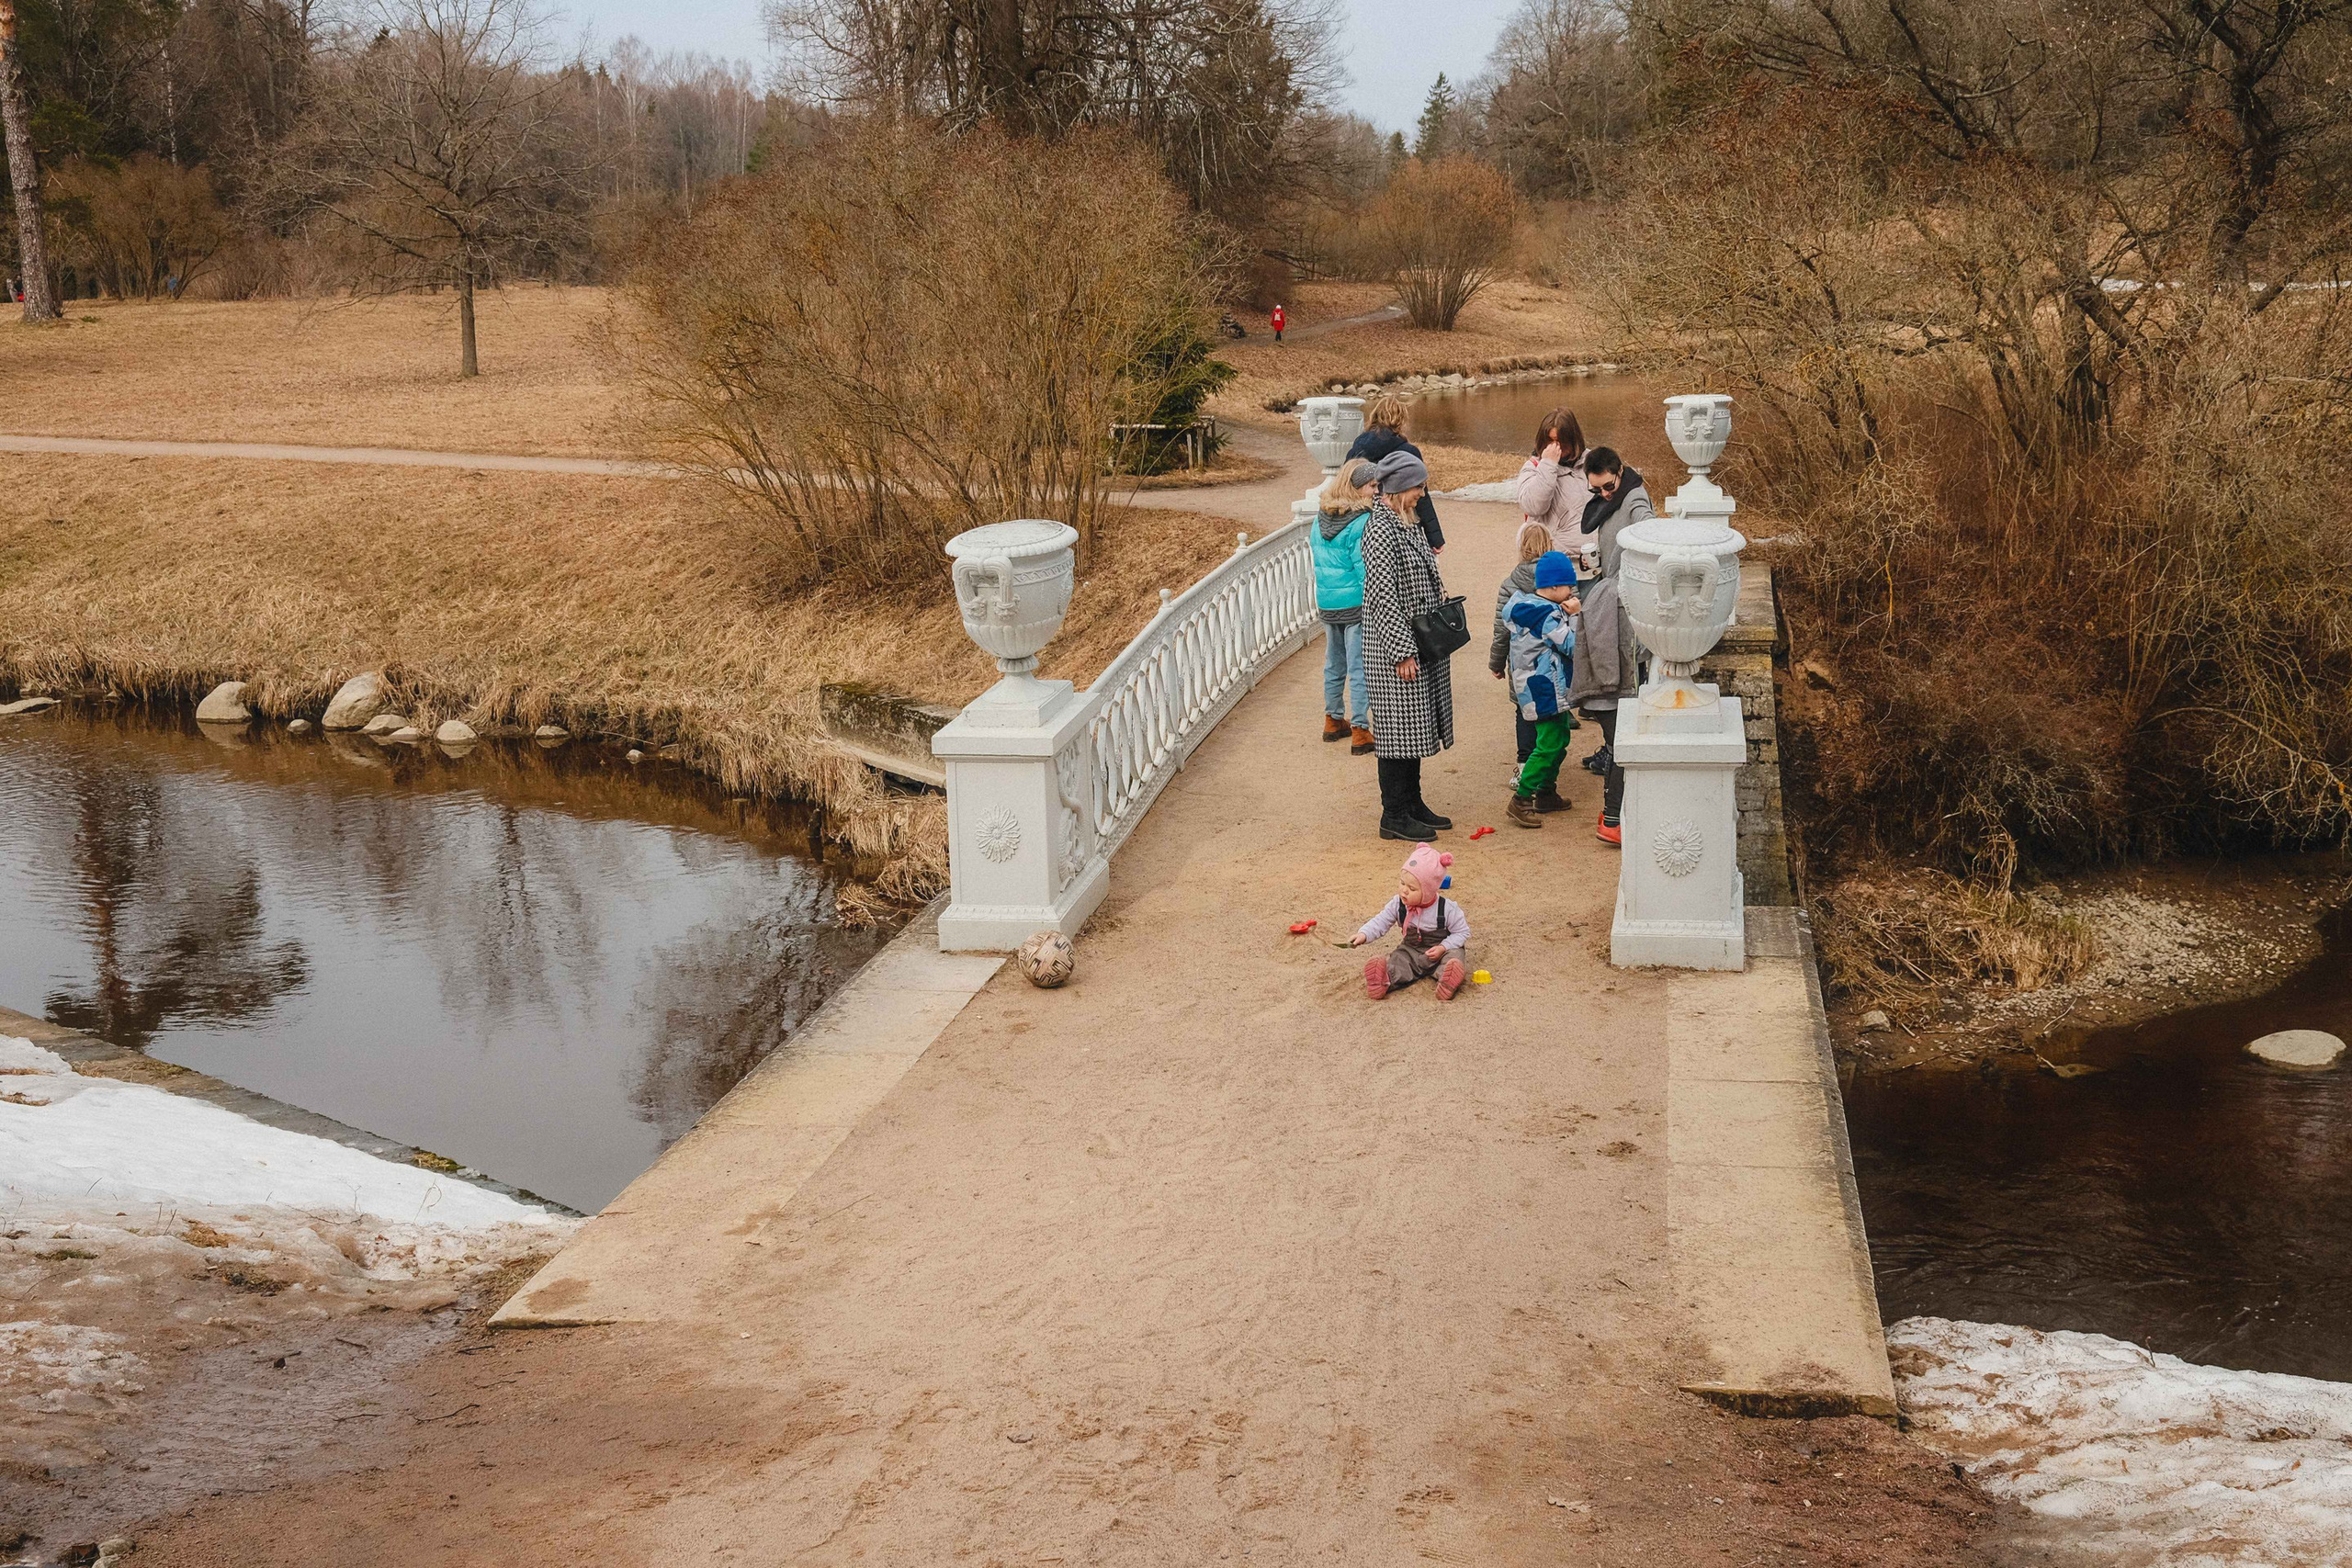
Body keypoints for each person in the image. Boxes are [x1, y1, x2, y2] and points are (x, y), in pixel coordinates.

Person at [1360, 450, 1458, 840]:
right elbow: (1383, 596)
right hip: (1393, 648)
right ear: (1401, 487)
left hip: (1419, 639)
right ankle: (1394, 815)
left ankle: (1412, 803)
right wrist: (1402, 651)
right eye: (1418, 486)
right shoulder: (1381, 530)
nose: (1422, 493)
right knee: (1396, 731)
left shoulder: (1404, 521)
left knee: (1413, 728)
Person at [1564, 446, 1657, 845]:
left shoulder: (1634, 498)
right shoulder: (1614, 497)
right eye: (1595, 489)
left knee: (1621, 738)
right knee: (1621, 739)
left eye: (1606, 486)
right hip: (1612, 597)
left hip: (1621, 602)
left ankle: (1615, 819)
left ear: (1620, 472)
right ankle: (1615, 820)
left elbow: (1649, 536)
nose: (1602, 494)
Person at [1502, 551, 1581, 829]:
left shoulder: (1534, 609)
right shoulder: (1547, 616)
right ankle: (1522, 798)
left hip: (1542, 687)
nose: (1572, 592)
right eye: (1569, 586)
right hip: (1545, 689)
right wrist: (1575, 616)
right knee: (1549, 744)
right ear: (1554, 587)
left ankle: (1546, 792)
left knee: (1559, 739)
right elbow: (1571, 644)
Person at [1312, 458, 1377, 754]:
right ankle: (1361, 730)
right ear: (1356, 486)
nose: (1376, 492)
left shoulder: (1319, 517)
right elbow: (1364, 569)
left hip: (1328, 600)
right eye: (1372, 486)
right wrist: (1373, 604)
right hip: (1355, 603)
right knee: (1359, 667)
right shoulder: (1361, 521)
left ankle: (1332, 719)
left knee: (1334, 663)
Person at [1349, 842, 1469, 1001]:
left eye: (1412, 889)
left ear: (1429, 891)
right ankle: (1384, 980)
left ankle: (1447, 982)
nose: (1404, 890)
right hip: (1412, 949)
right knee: (1399, 959)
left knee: (1454, 955)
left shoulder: (1447, 909)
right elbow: (1381, 920)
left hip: (1441, 950)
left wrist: (1443, 947)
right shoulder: (1398, 904)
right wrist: (1364, 933)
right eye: (1402, 883)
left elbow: (1462, 932)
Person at [1489, 521, 1558, 780]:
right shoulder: (1559, 581)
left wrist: (1496, 663)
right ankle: (1547, 769)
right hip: (1552, 662)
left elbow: (1501, 630)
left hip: (1521, 663)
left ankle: (1524, 764)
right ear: (1550, 545)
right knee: (1552, 714)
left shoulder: (1509, 585)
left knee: (1524, 710)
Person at [1345, 393, 1445, 551]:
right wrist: (1435, 538)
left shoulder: (1355, 450)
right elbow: (1422, 497)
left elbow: (1347, 487)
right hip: (1402, 520)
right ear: (1400, 420)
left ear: (1375, 416)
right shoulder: (1408, 453)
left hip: (1363, 521)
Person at [1513, 408, 1589, 541]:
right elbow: (1532, 507)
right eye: (1550, 440)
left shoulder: (1592, 462)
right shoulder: (1533, 468)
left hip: (1592, 555)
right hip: (1556, 555)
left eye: (1561, 441)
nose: (1556, 446)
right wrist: (1548, 465)